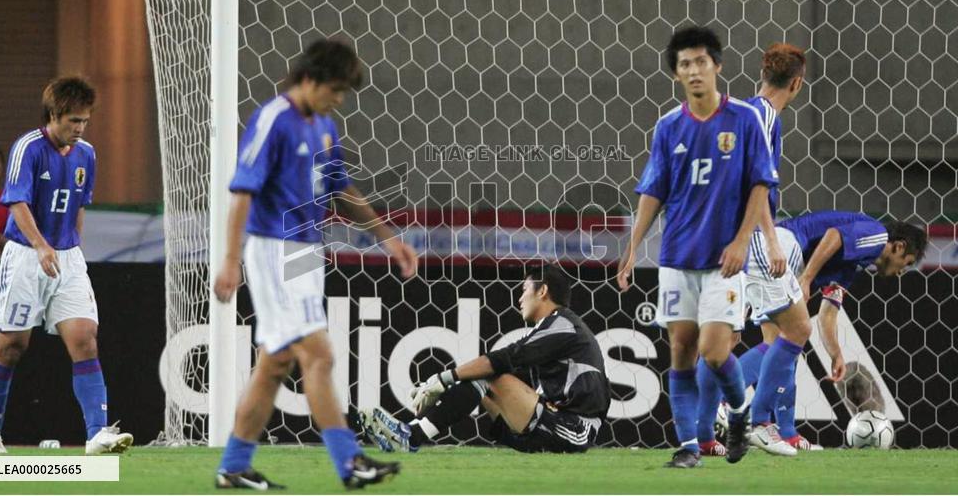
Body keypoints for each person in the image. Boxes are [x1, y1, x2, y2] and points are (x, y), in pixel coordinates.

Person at [212, 38, 419, 490]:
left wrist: (388, 238)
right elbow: (242, 192)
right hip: (273, 249)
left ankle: (233, 465)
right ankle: (350, 462)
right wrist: (230, 260)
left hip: (306, 253)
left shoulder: (324, 126)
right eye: (335, 89)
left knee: (275, 364)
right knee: (319, 355)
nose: (339, 99)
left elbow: (342, 191)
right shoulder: (273, 120)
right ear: (309, 79)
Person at [616, 26, 780, 468]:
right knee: (682, 349)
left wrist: (743, 240)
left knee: (714, 349)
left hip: (723, 262)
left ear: (717, 66)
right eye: (684, 64)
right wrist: (633, 247)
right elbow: (653, 191)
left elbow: (761, 183)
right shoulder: (668, 127)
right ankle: (688, 446)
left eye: (700, 62)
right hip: (676, 257)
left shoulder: (744, 119)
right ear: (676, 74)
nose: (693, 71)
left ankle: (740, 414)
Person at [0, 76, 133, 455]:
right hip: (26, 255)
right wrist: (42, 246)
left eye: (84, 121)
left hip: (66, 258)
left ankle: (97, 434)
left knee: (85, 340)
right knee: (12, 346)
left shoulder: (87, 154)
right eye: (72, 121)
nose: (79, 129)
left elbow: (79, 206)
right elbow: (17, 203)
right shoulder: (28, 148)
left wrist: (71, 251)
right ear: (53, 115)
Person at [359, 263, 610, 455]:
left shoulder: (562, 324)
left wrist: (442, 379)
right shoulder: (553, 327)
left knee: (490, 375)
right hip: (552, 422)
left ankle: (411, 436)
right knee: (484, 377)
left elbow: (504, 360)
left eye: (524, 290)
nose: (520, 299)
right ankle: (411, 432)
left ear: (542, 290)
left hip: (576, 430)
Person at [694, 43, 806, 457]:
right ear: (797, 82)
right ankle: (759, 423)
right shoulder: (763, 115)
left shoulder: (745, 110)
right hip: (751, 238)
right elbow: (753, 184)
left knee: (723, 341)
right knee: (797, 330)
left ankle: (705, 436)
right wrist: (771, 240)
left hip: (720, 237)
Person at [739, 212, 926, 454]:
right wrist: (806, 278)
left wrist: (836, 354)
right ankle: (730, 406)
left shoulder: (851, 265)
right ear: (898, 246)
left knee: (784, 346)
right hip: (782, 248)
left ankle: (787, 433)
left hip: (778, 254)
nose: (902, 271)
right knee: (788, 341)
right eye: (908, 262)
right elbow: (834, 235)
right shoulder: (877, 235)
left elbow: (828, 312)